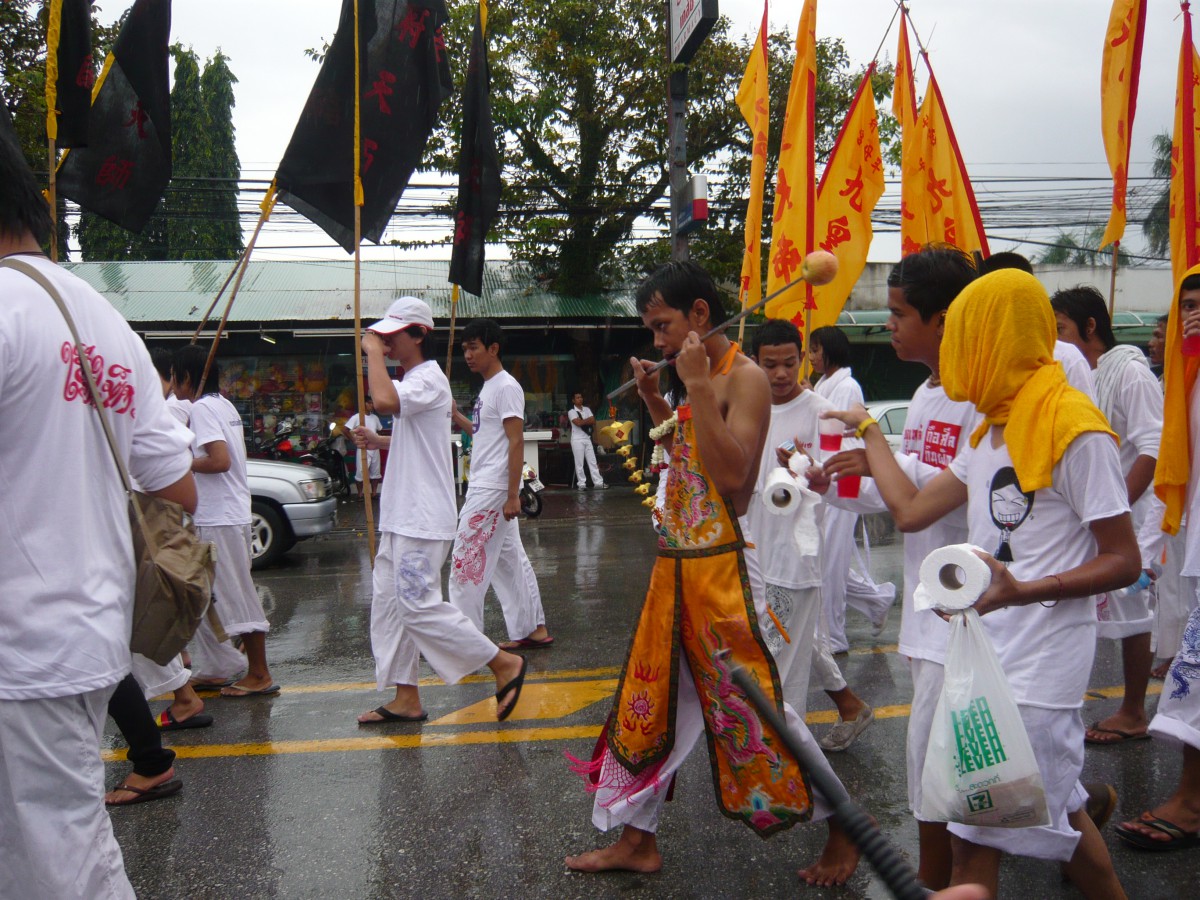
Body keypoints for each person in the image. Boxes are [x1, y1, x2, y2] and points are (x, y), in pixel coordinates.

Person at [817, 268, 1137, 898]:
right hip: (987, 662)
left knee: (972, 857)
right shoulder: (991, 427)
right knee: (1065, 822)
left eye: (965, 334)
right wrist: (868, 433)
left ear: (995, 337)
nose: (955, 352)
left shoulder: (1076, 430)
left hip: (1035, 678)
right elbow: (909, 509)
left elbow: (1122, 559)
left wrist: (1022, 588)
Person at [565, 261, 860, 887]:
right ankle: (638, 838)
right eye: (651, 329)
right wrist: (653, 399)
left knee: (760, 707)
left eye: (664, 325)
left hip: (727, 570)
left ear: (701, 315)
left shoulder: (745, 379)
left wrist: (695, 385)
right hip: (679, 566)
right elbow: (687, 461)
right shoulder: (693, 377)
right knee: (658, 700)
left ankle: (846, 824)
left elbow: (734, 484)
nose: (658, 343)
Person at [0, 117, 196, 898]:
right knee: (58, 846)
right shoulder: (106, 321)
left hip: (20, 644)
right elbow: (175, 489)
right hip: (91, 628)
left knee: (55, 862)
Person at [819, 244, 978, 889]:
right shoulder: (924, 394)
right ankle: (1076, 824)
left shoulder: (980, 400)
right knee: (966, 768)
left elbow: (916, 500)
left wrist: (873, 444)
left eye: (900, 312)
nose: (888, 323)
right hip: (927, 609)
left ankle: (938, 885)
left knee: (938, 770)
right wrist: (825, 480)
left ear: (943, 320)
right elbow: (895, 488)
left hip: (967, 611)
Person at [350, 297, 528, 725]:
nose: (386, 342)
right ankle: (405, 697)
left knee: (417, 605)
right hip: (400, 513)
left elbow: (384, 402)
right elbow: (414, 437)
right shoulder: (415, 381)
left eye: (394, 335)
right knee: (390, 605)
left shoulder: (428, 378)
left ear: (418, 335)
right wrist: (378, 443)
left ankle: (502, 663)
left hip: (421, 516)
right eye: (383, 336)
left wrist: (372, 353)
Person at [1051, 286, 1163, 746]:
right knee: (1084, 610)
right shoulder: (1080, 373)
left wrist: (1112, 511)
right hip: (1091, 515)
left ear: (1090, 327)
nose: (1054, 340)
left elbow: (1153, 448)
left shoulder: (1131, 373)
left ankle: (1135, 711)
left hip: (1128, 517)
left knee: (1132, 612)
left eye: (1061, 329)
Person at [1116, 266, 1200, 851]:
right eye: (1186, 305)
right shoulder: (1186, 383)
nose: (1192, 314)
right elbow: (1176, 478)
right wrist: (1152, 546)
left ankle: (1191, 802)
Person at [173, 344, 278, 698]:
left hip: (219, 517)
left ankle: (260, 674)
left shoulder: (202, 408)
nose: (172, 386)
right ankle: (219, 666)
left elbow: (220, 461)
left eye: (174, 377)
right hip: (224, 513)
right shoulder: (223, 403)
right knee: (205, 595)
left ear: (187, 377)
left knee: (235, 592)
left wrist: (181, 463)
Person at [746, 319, 835, 718]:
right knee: (755, 661)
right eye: (770, 364)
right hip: (750, 557)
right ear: (754, 362)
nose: (781, 373)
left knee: (785, 674)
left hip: (795, 564)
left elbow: (837, 479)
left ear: (804, 360)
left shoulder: (822, 412)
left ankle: (786, 764)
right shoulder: (747, 408)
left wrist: (809, 466)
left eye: (789, 362)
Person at [448, 319, 554, 652]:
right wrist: (455, 415)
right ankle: (532, 629)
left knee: (465, 563)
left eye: (474, 347)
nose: (468, 355)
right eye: (464, 348)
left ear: (493, 349)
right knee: (509, 563)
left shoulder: (506, 386)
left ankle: (467, 645)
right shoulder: (489, 387)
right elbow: (484, 434)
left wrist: (512, 496)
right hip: (489, 486)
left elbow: (515, 441)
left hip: (491, 490)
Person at [808, 326, 895, 655]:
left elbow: (841, 438)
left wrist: (822, 468)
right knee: (827, 559)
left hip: (843, 480)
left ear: (831, 350)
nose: (813, 356)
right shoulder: (824, 384)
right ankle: (877, 599)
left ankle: (833, 636)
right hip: (825, 478)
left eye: (817, 350)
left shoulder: (847, 386)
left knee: (829, 560)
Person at [567, 391, 607, 491]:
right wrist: (586, 420)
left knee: (592, 461)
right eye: (577, 397)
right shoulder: (571, 412)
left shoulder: (587, 409)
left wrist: (583, 421)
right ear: (573, 400)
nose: (580, 399)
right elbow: (578, 423)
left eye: (581, 397)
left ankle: (598, 483)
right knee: (579, 463)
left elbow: (593, 421)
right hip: (577, 440)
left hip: (587, 438)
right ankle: (581, 484)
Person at [346, 395, 382, 497]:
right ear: (364, 404)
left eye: (372, 403)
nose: (372, 405)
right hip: (363, 448)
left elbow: (380, 429)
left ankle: (374, 493)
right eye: (369, 403)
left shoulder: (375, 417)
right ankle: (360, 494)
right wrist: (354, 440)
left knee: (375, 472)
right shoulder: (357, 417)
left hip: (374, 448)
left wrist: (377, 439)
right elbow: (346, 429)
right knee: (360, 472)